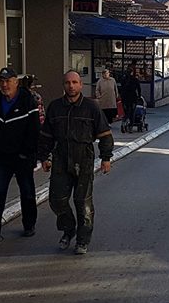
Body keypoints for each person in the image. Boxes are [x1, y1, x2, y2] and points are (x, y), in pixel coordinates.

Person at [37, 70, 114, 255]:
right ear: (63, 85)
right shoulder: (55, 107)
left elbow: (105, 134)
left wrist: (106, 158)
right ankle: (69, 229)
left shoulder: (91, 107)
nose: (71, 86)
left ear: (80, 85)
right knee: (57, 200)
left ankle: (82, 239)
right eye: (67, 83)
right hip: (61, 160)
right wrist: (44, 157)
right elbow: (46, 135)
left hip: (83, 159)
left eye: (74, 82)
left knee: (83, 202)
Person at [0, 67, 40, 244]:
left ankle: (29, 224)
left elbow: (34, 129)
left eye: (8, 81)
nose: (4, 85)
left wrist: (28, 153)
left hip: (22, 156)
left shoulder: (28, 100)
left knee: (27, 191)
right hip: (1, 156)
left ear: (16, 82)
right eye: (2, 81)